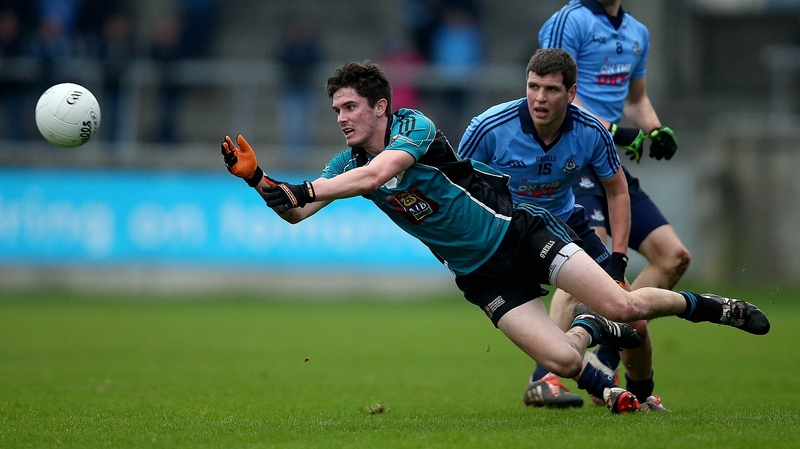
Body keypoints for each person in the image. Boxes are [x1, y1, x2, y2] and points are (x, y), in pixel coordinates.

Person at [219, 60, 770, 414]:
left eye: (349, 108)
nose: (340, 118)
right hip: (482, 276)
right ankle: (599, 359)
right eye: (335, 109)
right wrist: (257, 181)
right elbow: (297, 213)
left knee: (626, 304)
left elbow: (374, 176)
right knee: (559, 361)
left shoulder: (414, 129)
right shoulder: (346, 161)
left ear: (380, 107)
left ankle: (708, 307)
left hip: (520, 233)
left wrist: (303, 186)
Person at [457, 47, 664, 409]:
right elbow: (457, 187)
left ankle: (644, 397)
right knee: (561, 312)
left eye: (551, 89)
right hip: (512, 233)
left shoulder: (590, 131)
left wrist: (618, 257)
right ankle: (547, 379)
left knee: (635, 319)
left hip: (568, 224)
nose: (539, 97)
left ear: (571, 94)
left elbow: (617, 191)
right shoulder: (490, 127)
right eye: (533, 86)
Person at [538, 0, 691, 407]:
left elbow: (636, 100)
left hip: (607, 164)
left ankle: (608, 353)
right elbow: (555, 95)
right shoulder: (571, 20)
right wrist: (615, 131)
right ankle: (545, 378)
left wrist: (655, 130)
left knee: (673, 256)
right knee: (585, 267)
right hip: (574, 159)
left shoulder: (638, 32)